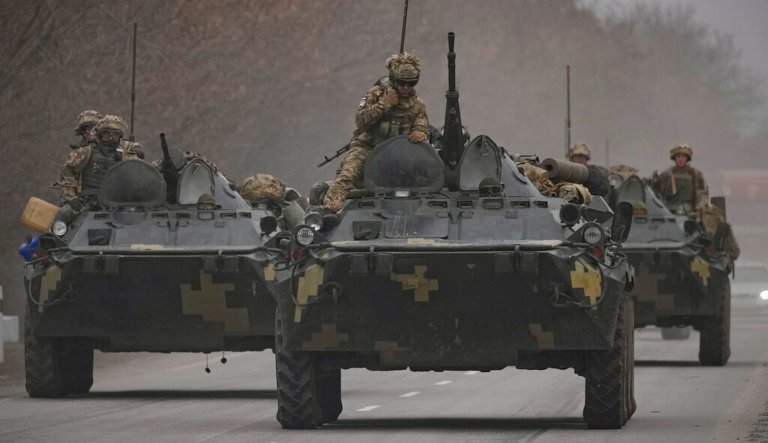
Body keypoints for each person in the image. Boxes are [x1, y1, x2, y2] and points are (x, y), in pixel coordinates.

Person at [322, 52, 430, 212]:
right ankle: (328, 211)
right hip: (367, 146)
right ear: (394, 79)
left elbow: (421, 126)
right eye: (401, 83)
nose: (406, 88)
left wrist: (420, 134)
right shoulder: (374, 94)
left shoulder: (417, 105)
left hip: (399, 152)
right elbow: (360, 120)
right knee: (348, 174)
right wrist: (384, 104)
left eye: (411, 83)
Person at [59, 115, 143, 207]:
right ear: (100, 135)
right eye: (106, 134)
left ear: (120, 136)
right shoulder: (86, 152)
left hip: (119, 203)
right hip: (89, 202)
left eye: (115, 134)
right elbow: (67, 170)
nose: (110, 138)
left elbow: (138, 173)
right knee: (64, 215)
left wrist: (131, 153)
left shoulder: (126, 152)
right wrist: (70, 196)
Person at [651, 144, 709, 215]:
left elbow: (702, 193)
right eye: (678, 157)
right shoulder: (667, 174)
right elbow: (656, 194)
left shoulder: (695, 174)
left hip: (690, 212)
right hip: (668, 210)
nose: (680, 159)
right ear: (674, 158)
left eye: (683, 157)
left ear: (687, 159)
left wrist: (699, 209)